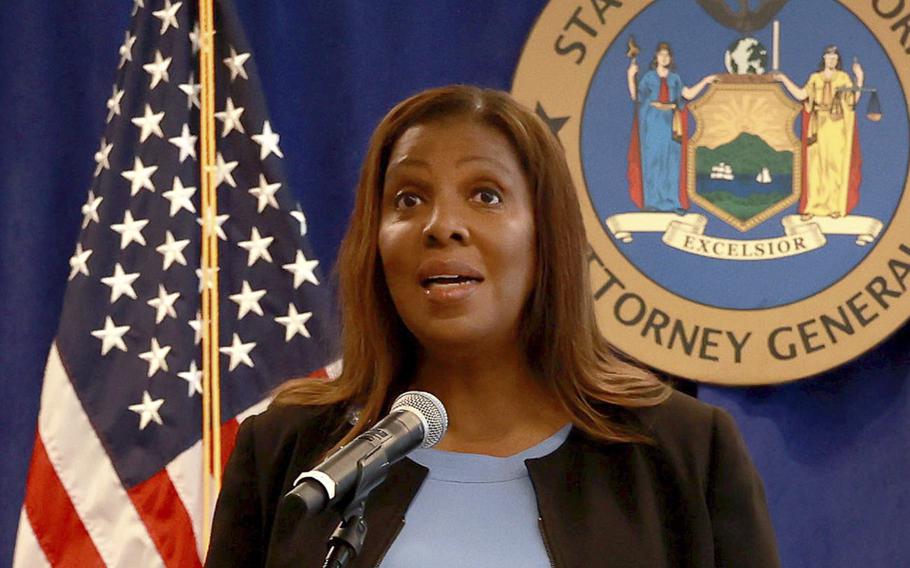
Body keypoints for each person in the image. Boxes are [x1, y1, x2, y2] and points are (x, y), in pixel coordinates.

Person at [205, 85, 780, 567]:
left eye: (486, 194)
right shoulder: (288, 450)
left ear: (545, 235)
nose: (442, 225)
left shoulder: (682, 451)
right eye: (408, 199)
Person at [774, 45, 864, 219]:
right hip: (817, 126)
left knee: (834, 165)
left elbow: (852, 100)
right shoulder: (815, 78)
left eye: (835, 58)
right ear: (824, 58)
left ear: (838, 60)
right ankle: (813, 206)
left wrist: (859, 78)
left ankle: (835, 206)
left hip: (836, 125)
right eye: (829, 57)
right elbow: (801, 95)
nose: (832, 60)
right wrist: (784, 79)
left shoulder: (843, 77)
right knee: (816, 166)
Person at [626, 42, 716, 213]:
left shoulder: (675, 78)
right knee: (652, 161)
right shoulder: (649, 78)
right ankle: (652, 202)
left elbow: (687, 94)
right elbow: (636, 95)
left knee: (671, 162)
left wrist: (705, 81)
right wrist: (631, 76)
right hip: (653, 123)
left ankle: (671, 202)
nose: (664, 58)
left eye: (667, 55)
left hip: (672, 124)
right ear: (656, 57)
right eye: (661, 54)